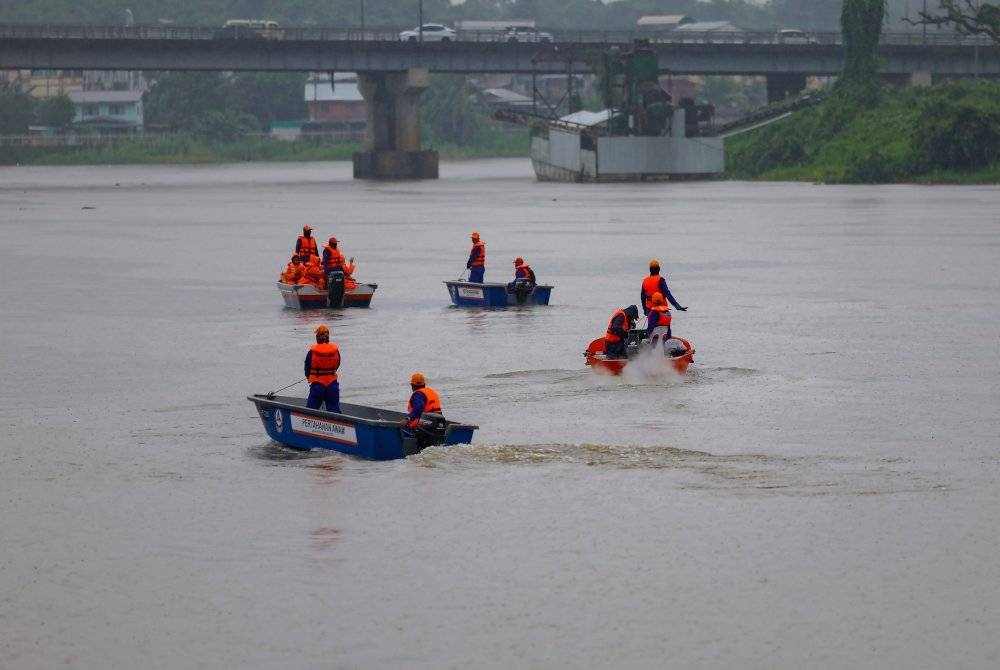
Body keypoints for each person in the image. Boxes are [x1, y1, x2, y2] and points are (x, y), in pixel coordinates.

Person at [304, 324, 341, 412]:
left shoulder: (312, 352)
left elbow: (307, 368)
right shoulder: (335, 351)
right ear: (328, 337)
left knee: (310, 412)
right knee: (334, 412)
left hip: (317, 386)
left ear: (317, 337)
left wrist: (310, 376)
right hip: (332, 386)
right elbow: (337, 365)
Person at [401, 372, 443, 438]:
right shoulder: (432, 392)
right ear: (424, 384)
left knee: (402, 429)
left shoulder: (418, 394)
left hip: (422, 426)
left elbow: (418, 409)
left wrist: (407, 419)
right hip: (437, 424)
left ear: (412, 385)